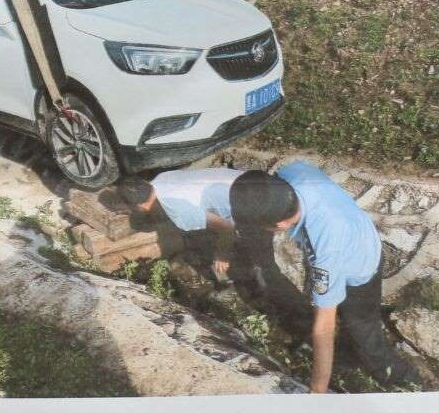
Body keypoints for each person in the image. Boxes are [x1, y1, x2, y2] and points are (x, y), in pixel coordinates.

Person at [229, 162, 421, 393]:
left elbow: (324, 325)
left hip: (360, 265)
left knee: (362, 327)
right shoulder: (292, 173)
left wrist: (317, 390)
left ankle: (404, 379)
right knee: (336, 309)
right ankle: (343, 355)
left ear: (281, 224)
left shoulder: (326, 250)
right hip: (354, 230)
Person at [119, 168, 241, 279]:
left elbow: (227, 228)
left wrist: (222, 256)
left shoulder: (180, 213)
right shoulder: (161, 178)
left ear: (141, 206)